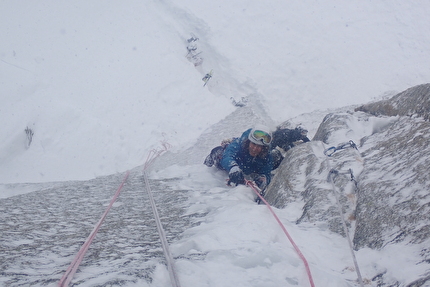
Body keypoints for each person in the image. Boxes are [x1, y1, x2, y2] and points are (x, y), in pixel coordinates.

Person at [204, 125, 273, 190]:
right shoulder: (238, 145)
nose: (255, 149)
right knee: (217, 152)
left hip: (247, 168)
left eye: (259, 146)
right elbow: (227, 156)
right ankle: (205, 167)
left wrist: (263, 179)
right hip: (232, 163)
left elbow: (267, 172)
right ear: (248, 142)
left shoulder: (267, 157)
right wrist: (232, 166)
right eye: (253, 144)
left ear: (264, 148)